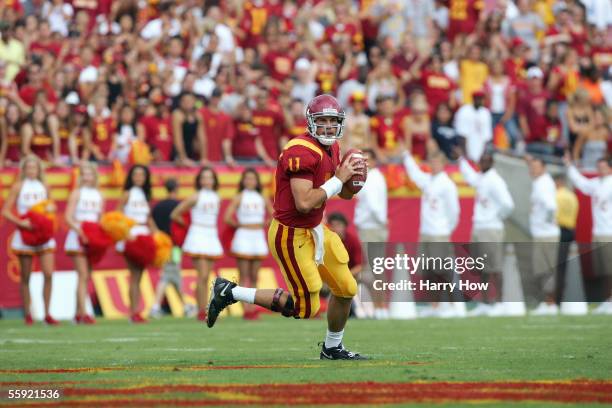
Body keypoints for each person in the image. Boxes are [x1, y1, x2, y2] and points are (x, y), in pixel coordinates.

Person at [206, 95, 368, 360]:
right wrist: (340, 180)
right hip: (291, 234)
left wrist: (354, 182)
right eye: (322, 120)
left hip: (316, 228)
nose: (328, 126)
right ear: (310, 122)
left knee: (347, 288)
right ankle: (230, 291)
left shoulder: (333, 147)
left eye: (333, 121)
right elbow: (304, 202)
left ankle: (332, 348)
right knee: (307, 308)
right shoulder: (300, 151)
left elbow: (343, 194)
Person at [403, 149, 461, 318]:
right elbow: (415, 174)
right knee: (428, 271)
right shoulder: (428, 180)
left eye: (437, 162)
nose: (434, 165)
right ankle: (435, 306)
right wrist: (407, 156)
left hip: (439, 233)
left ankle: (451, 305)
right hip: (425, 232)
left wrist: (445, 230)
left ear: (444, 164)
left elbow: (454, 212)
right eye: (432, 162)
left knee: (443, 270)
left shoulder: (447, 184)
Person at [1, 155, 58, 325]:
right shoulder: (18, 186)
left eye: (35, 168)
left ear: (39, 170)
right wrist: (21, 223)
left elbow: (51, 206)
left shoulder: (44, 186)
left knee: (48, 273)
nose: (32, 171)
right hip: (25, 233)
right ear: (24, 170)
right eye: (29, 168)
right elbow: (5, 211)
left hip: (43, 233)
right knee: (26, 276)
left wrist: (50, 210)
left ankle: (47, 313)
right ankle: (28, 314)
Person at [457, 149, 515, 316]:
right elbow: (470, 177)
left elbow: (508, 204)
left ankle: (499, 302)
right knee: (481, 268)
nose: (482, 163)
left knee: (494, 267)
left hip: (491, 228)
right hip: (479, 227)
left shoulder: (495, 180)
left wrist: (495, 217)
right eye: (481, 160)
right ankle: (485, 302)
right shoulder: (482, 177)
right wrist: (461, 160)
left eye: (486, 161)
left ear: (492, 163)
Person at [171, 167, 223, 321]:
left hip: (211, 235)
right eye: (204, 178)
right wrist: (190, 227)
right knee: (203, 275)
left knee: (207, 277)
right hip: (198, 235)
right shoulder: (195, 197)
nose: (207, 181)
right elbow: (175, 214)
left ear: (214, 181)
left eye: (210, 178)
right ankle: (202, 311)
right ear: (199, 181)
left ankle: (205, 309)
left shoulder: (216, 197)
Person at [223, 168, 274, 320]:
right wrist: (241, 225)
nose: (250, 181)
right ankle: (245, 307)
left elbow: (274, 215)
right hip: (243, 237)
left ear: (257, 181)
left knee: (254, 275)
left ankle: (252, 306)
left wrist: (263, 224)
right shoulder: (239, 197)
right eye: (247, 179)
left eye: (252, 179)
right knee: (243, 274)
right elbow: (227, 217)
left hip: (257, 237)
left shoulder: (262, 197)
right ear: (243, 181)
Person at [565, 154, 612, 314]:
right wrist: (570, 166)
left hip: (609, 232)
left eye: (603, 166)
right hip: (598, 232)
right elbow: (582, 184)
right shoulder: (597, 183)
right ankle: (607, 299)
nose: (600, 169)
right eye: (598, 167)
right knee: (602, 269)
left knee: (609, 269)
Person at [116, 164, 157, 323]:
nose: (139, 177)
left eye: (142, 175)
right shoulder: (127, 194)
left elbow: (148, 218)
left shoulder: (145, 196)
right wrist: (125, 234)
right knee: (134, 275)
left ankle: (136, 311)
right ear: (131, 177)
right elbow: (117, 215)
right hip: (131, 235)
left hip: (144, 234)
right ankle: (133, 313)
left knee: (140, 276)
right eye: (136, 174)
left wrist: (157, 235)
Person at [150, 178, 194, 318]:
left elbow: (152, 224)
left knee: (174, 274)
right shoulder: (179, 205)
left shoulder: (157, 206)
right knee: (169, 274)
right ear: (176, 188)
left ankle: (186, 306)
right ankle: (156, 306)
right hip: (174, 246)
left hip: (161, 245)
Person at [353, 149, 389, 319]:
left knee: (374, 269)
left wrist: (382, 221)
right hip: (371, 227)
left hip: (371, 228)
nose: (363, 163)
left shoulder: (373, 178)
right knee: (375, 269)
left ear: (374, 161)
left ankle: (379, 307)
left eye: (366, 160)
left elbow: (375, 206)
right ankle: (378, 307)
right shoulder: (371, 177)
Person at [526, 155, 560, 315]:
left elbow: (551, 206)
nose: (532, 169)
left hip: (546, 233)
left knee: (546, 269)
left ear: (543, 168)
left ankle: (550, 302)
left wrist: (546, 222)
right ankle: (548, 302)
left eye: (535, 166)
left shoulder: (543, 184)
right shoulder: (540, 182)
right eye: (531, 166)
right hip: (542, 233)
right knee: (543, 268)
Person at [553, 173, 578, 306]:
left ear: (557, 182)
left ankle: (558, 299)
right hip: (571, 231)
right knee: (567, 266)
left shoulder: (557, 196)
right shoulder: (572, 196)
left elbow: (554, 215)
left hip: (561, 231)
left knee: (557, 266)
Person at [454, 90, 492, 162]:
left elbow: (487, 137)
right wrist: (466, 155)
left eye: (481, 99)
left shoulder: (486, 113)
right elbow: (461, 134)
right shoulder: (464, 110)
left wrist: (483, 154)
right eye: (477, 98)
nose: (479, 101)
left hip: (480, 145)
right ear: (473, 99)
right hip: (466, 145)